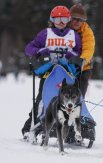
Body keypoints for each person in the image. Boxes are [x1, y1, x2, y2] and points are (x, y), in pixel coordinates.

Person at [21, 5, 82, 138]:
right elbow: (29, 48)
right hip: (49, 73)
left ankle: (73, 126)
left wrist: (71, 56)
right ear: (52, 20)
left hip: (67, 74)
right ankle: (33, 125)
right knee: (42, 99)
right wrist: (40, 51)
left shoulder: (74, 36)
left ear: (68, 20)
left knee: (71, 100)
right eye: (58, 19)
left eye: (65, 19)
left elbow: (79, 52)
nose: (61, 22)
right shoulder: (45, 34)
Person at [69, 3, 95, 98]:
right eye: (75, 18)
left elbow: (88, 48)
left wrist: (82, 60)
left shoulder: (87, 31)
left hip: (83, 69)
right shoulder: (63, 27)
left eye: (81, 20)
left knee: (78, 97)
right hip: (64, 67)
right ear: (69, 18)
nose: (78, 22)